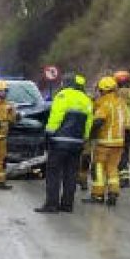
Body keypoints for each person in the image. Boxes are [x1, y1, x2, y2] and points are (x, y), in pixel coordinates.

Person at [36, 73, 93, 214]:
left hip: (59, 142)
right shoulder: (87, 100)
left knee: (53, 173)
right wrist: (84, 138)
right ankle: (67, 205)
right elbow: (89, 123)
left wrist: (48, 134)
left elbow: (56, 116)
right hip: (77, 143)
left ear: (66, 83)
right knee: (71, 174)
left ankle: (51, 205)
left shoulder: (62, 96)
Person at [85, 77, 127, 206]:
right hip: (119, 143)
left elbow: (98, 121)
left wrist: (90, 135)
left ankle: (98, 195)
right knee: (113, 168)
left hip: (104, 143)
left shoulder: (104, 103)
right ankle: (113, 192)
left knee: (98, 167)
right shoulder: (121, 103)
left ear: (102, 90)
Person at [114, 70, 130, 187]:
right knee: (125, 150)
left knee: (119, 151)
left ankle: (123, 178)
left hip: (121, 126)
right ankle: (124, 176)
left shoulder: (118, 93)